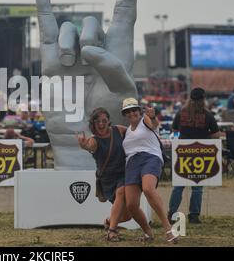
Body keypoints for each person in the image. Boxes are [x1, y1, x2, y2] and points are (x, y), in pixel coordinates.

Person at [121, 98, 178, 243]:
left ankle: (168, 229)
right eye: (128, 111)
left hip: (150, 157)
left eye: (134, 110)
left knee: (148, 189)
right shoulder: (127, 131)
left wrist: (152, 116)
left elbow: (154, 124)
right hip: (132, 163)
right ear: (125, 114)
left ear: (139, 111)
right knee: (131, 205)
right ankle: (148, 233)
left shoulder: (145, 120)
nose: (132, 113)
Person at [77, 107, 131, 242]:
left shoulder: (119, 130)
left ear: (108, 121)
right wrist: (84, 146)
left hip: (123, 173)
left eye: (104, 121)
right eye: (97, 122)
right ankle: (112, 231)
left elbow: (134, 132)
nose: (101, 124)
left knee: (128, 213)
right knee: (126, 213)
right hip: (107, 178)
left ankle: (109, 223)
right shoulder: (94, 140)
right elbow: (89, 146)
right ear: (93, 124)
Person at [168, 87, 220, 224]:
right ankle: (193, 215)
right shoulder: (208, 115)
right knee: (197, 187)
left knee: (178, 186)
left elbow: (174, 130)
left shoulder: (181, 113)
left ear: (190, 98)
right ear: (203, 99)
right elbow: (216, 134)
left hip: (183, 153)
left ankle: (171, 213)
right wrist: (205, 135)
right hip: (200, 154)